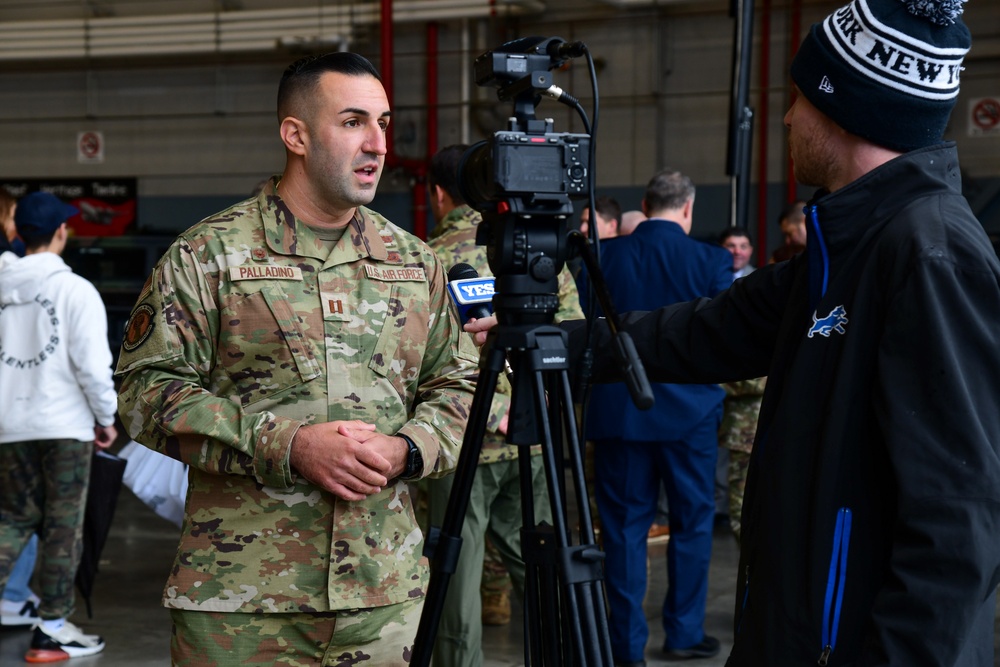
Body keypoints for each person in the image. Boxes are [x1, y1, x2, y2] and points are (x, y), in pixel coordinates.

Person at [471, 1, 1000, 663]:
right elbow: (706, 328)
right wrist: (557, 344)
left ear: (848, 108)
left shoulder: (927, 253)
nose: (786, 118)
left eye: (799, 99)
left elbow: (958, 522)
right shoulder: (851, 248)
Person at [114, 53, 481, 666]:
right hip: (241, 600)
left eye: (384, 123)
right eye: (353, 122)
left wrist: (408, 448)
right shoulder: (210, 255)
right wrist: (287, 445)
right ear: (296, 135)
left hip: (382, 597)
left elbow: (463, 384)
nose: (377, 144)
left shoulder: (415, 263)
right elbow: (145, 392)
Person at [424, 144, 583, 667]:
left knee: (458, 575)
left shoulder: (420, 259)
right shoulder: (539, 251)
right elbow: (570, 335)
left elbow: (416, 361)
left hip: (461, 435)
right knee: (539, 560)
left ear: (438, 194)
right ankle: (568, 651)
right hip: (532, 429)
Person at [577, 169, 732, 665]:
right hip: (690, 418)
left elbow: (584, 329)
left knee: (623, 531)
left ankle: (625, 647)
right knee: (692, 525)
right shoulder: (712, 259)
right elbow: (724, 340)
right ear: (687, 209)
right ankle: (684, 633)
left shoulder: (603, 255)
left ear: (644, 205)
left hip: (620, 414)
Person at [0, 191, 118, 661]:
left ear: (16, 233)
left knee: (10, 521)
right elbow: (92, 365)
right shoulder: (75, 291)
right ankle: (50, 629)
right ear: (62, 232)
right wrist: (106, 418)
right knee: (62, 526)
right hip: (63, 427)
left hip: (9, 427)